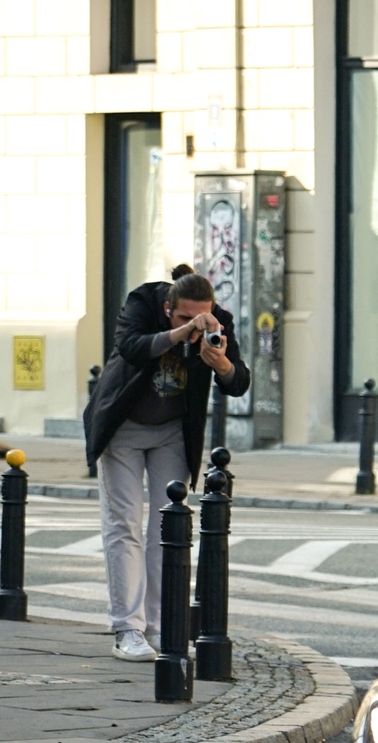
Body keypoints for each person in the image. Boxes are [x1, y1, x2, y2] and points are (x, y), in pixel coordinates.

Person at [83, 264, 249, 662]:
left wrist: (220, 361)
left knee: (167, 528)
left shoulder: (217, 324)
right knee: (124, 525)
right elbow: (131, 347)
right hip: (123, 427)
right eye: (183, 317)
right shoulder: (142, 303)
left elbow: (239, 381)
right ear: (167, 307)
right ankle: (127, 629)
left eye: (201, 316)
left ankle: (160, 627)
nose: (195, 325)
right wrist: (179, 336)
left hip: (172, 432)